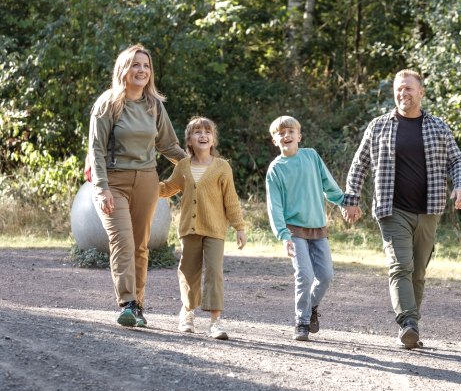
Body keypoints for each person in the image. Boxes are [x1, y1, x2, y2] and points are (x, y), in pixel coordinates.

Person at [342, 69, 461, 349]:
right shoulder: (378, 126)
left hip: (429, 209)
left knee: (418, 272)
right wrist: (351, 199)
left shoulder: (438, 126)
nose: (403, 93)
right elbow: (359, 164)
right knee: (401, 266)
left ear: (420, 93)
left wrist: (460, 186)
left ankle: (412, 324)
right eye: (399, 89)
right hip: (391, 209)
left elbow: (457, 161)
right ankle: (408, 323)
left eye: (409, 88)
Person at [88, 44, 187, 328]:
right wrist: (102, 186)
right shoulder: (108, 103)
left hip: (146, 180)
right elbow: (95, 150)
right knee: (123, 241)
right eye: (135, 65)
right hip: (112, 181)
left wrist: (197, 165)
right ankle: (127, 302)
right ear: (124, 69)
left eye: (145, 66)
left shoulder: (153, 104)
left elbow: (168, 144)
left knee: (141, 247)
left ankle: (138, 307)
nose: (141, 70)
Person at [159, 116, 247, 340]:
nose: (203, 135)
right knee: (188, 272)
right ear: (189, 139)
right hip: (189, 228)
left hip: (215, 229)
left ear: (213, 139)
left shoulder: (221, 167)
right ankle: (187, 312)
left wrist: (239, 227)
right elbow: (169, 187)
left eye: (207, 132)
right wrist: (146, 184)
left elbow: (231, 200)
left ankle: (215, 322)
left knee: (214, 273)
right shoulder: (183, 166)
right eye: (197, 132)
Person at [265, 115, 345, 341]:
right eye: (281, 133)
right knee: (305, 275)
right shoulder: (276, 169)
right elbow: (275, 206)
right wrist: (282, 235)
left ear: (299, 136)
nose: (286, 135)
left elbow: (329, 185)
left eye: (291, 131)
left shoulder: (311, 156)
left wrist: (344, 201)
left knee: (326, 275)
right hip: (293, 230)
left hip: (317, 228)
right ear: (275, 141)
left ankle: (310, 309)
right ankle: (301, 322)